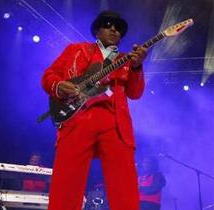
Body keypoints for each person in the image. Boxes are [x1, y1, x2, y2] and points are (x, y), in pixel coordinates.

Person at [42, 10, 147, 210]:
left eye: (118, 27)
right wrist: (58, 85)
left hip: (115, 123)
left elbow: (135, 93)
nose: (114, 29)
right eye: (108, 24)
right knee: (67, 184)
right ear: (97, 31)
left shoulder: (127, 60)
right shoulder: (76, 50)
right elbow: (49, 75)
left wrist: (136, 68)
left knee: (125, 186)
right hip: (77, 118)